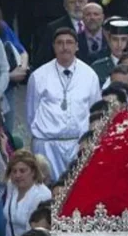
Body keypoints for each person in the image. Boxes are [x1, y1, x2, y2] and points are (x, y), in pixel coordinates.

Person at [25, 28, 101, 180]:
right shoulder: (39, 76)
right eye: (60, 43)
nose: (65, 47)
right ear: (53, 47)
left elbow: (96, 111)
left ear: (77, 46)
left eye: (69, 43)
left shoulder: (89, 75)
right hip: (47, 146)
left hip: (79, 144)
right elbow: (31, 113)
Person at [3, 150, 52, 236]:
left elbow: (35, 230)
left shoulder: (42, 194)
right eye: (14, 171)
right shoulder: (11, 186)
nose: (17, 175)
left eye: (22, 171)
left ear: (33, 171)